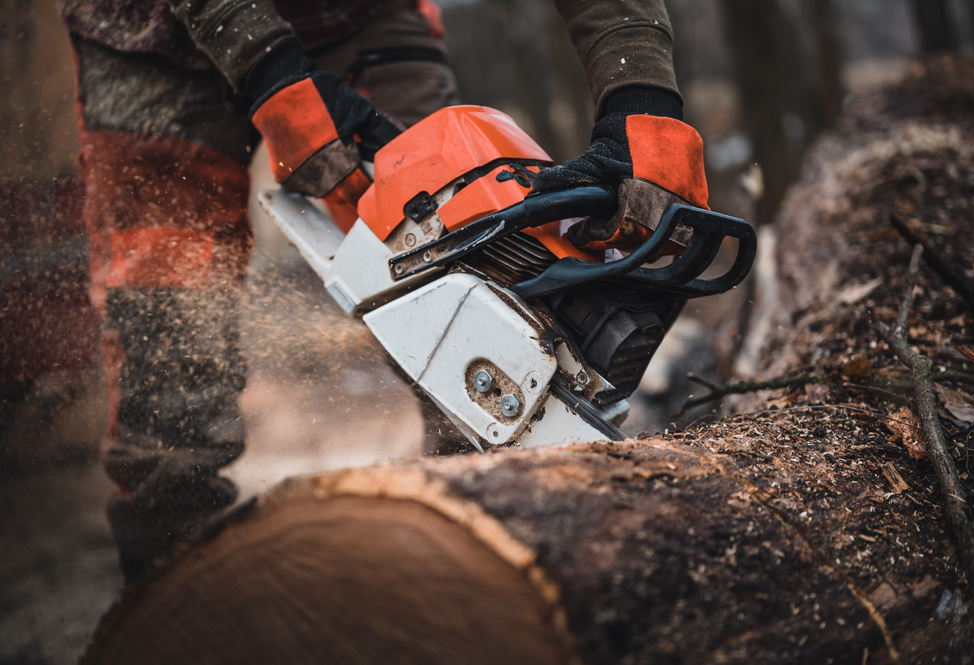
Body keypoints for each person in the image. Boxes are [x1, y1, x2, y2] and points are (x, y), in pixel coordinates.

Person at [59, 0, 709, 584]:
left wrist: (641, 95)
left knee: (476, 291)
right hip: (145, 34)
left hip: (358, 16)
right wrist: (268, 69)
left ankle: (484, 573)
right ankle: (169, 605)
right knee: (167, 352)